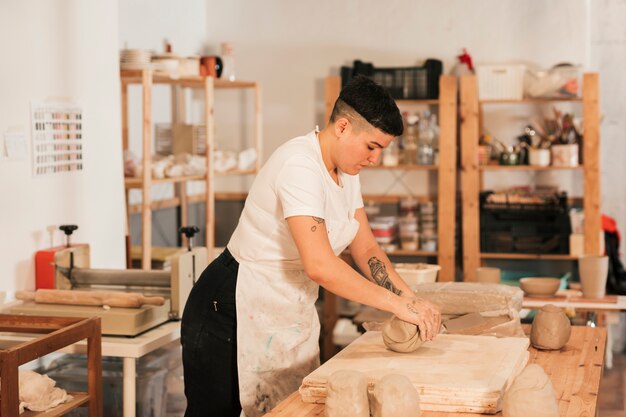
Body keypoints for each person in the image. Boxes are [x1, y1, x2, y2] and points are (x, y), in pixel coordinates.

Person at [181, 75, 442, 417]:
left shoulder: (347, 173)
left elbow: (366, 249)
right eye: (372, 147)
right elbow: (319, 265)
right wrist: (395, 305)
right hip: (230, 304)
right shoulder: (300, 165)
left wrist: (411, 299)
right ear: (344, 127)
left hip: (286, 305)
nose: (375, 159)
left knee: (289, 408)